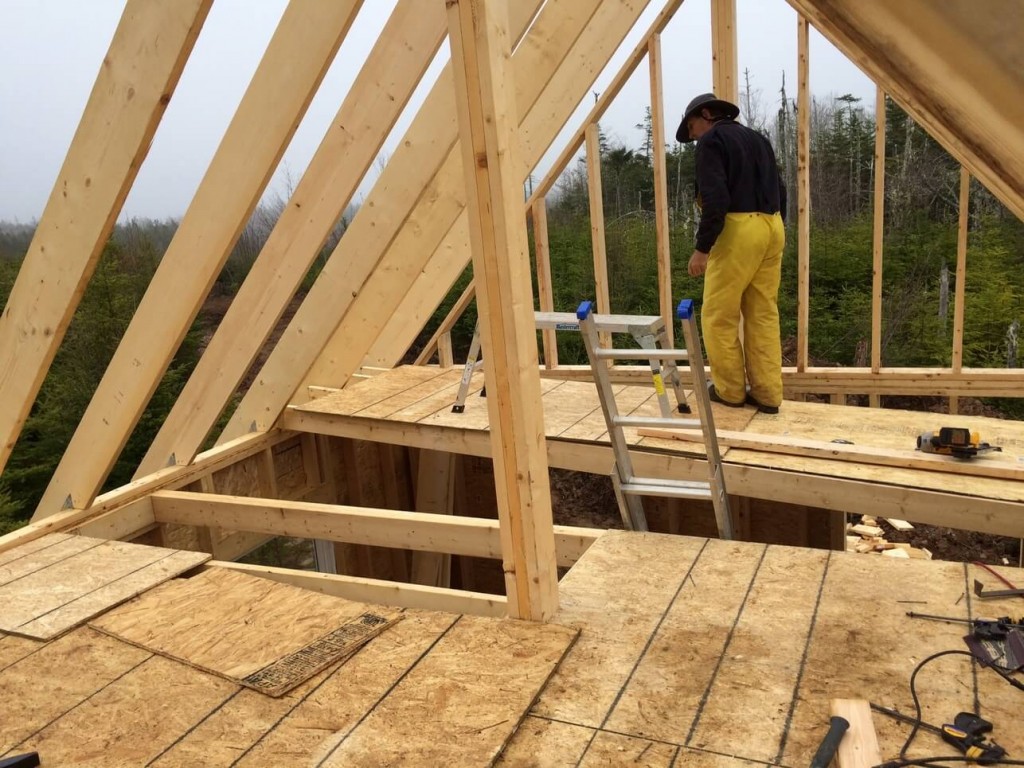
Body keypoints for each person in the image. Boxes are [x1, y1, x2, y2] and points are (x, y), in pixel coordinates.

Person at [676, 92, 787, 414]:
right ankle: (768, 394)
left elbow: (716, 199)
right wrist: (777, 226)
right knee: (763, 313)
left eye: (693, 126)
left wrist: (702, 248)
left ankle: (730, 391)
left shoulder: (712, 142)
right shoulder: (758, 139)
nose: (694, 135)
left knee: (718, 316)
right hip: (772, 225)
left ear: (707, 114)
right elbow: (780, 189)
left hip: (739, 229)